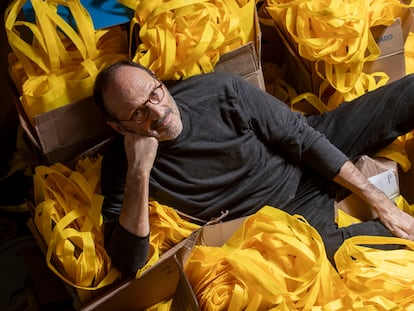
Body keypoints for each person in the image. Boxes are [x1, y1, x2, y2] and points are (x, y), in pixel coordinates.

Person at [93, 60, 414, 275]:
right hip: (282, 217)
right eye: (138, 114)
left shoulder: (217, 90)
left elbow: (302, 138)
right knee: (321, 261)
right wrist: (140, 171)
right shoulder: (123, 165)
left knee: (408, 92)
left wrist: (383, 204)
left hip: (302, 151)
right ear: (119, 127)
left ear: (158, 80)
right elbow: (129, 262)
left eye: (155, 93)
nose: (158, 112)